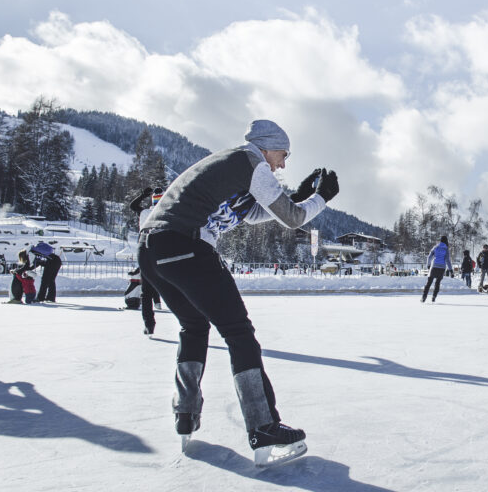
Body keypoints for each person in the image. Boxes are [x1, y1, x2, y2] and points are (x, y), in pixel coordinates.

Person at [138, 119, 336, 466]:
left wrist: (299, 196)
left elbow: (257, 213)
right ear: (267, 146)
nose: (283, 164)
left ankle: (185, 413)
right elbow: (293, 219)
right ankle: (264, 427)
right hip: (186, 245)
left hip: (152, 249)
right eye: (283, 155)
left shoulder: (234, 168)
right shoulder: (251, 163)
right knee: (239, 334)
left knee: (194, 327)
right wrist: (321, 198)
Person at [130, 186, 165, 334]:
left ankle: (149, 324)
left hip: (144, 250)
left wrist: (142, 195)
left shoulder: (144, 212)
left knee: (146, 292)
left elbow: (133, 206)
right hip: (163, 251)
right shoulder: (167, 212)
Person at [422, 235, 452, 303]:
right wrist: (451, 270)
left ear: (440, 240)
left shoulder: (435, 247)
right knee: (437, 283)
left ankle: (424, 297)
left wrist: (428, 265)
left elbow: (429, 257)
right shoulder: (446, 249)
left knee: (429, 282)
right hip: (442, 268)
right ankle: (434, 297)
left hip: (434, 266)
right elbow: (448, 260)